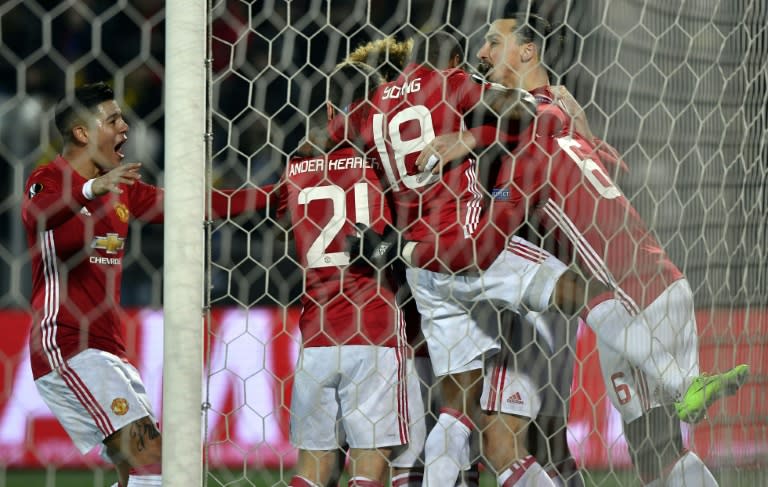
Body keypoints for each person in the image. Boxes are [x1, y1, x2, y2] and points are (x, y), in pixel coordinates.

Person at [390, 11, 749, 486]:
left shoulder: (532, 136)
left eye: (494, 43)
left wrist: (421, 250)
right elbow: (604, 165)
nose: (483, 53)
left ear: (527, 51)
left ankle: (684, 384)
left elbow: (492, 234)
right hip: (626, 288)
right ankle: (682, 386)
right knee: (648, 449)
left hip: (620, 295)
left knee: (632, 449)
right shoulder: (558, 116)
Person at [21, 82, 273, 487]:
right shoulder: (48, 178)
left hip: (106, 348)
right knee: (154, 460)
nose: (125, 127)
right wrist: (89, 189)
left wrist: (282, 194)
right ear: (82, 133)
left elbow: (201, 206)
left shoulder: (122, 188)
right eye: (113, 119)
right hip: (66, 343)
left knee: (136, 471)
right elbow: (37, 217)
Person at [276, 62, 418, 487]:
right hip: (371, 327)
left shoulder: (293, 172)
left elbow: (285, 219)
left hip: (317, 333)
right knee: (370, 464)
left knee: (313, 468)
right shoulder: (377, 166)